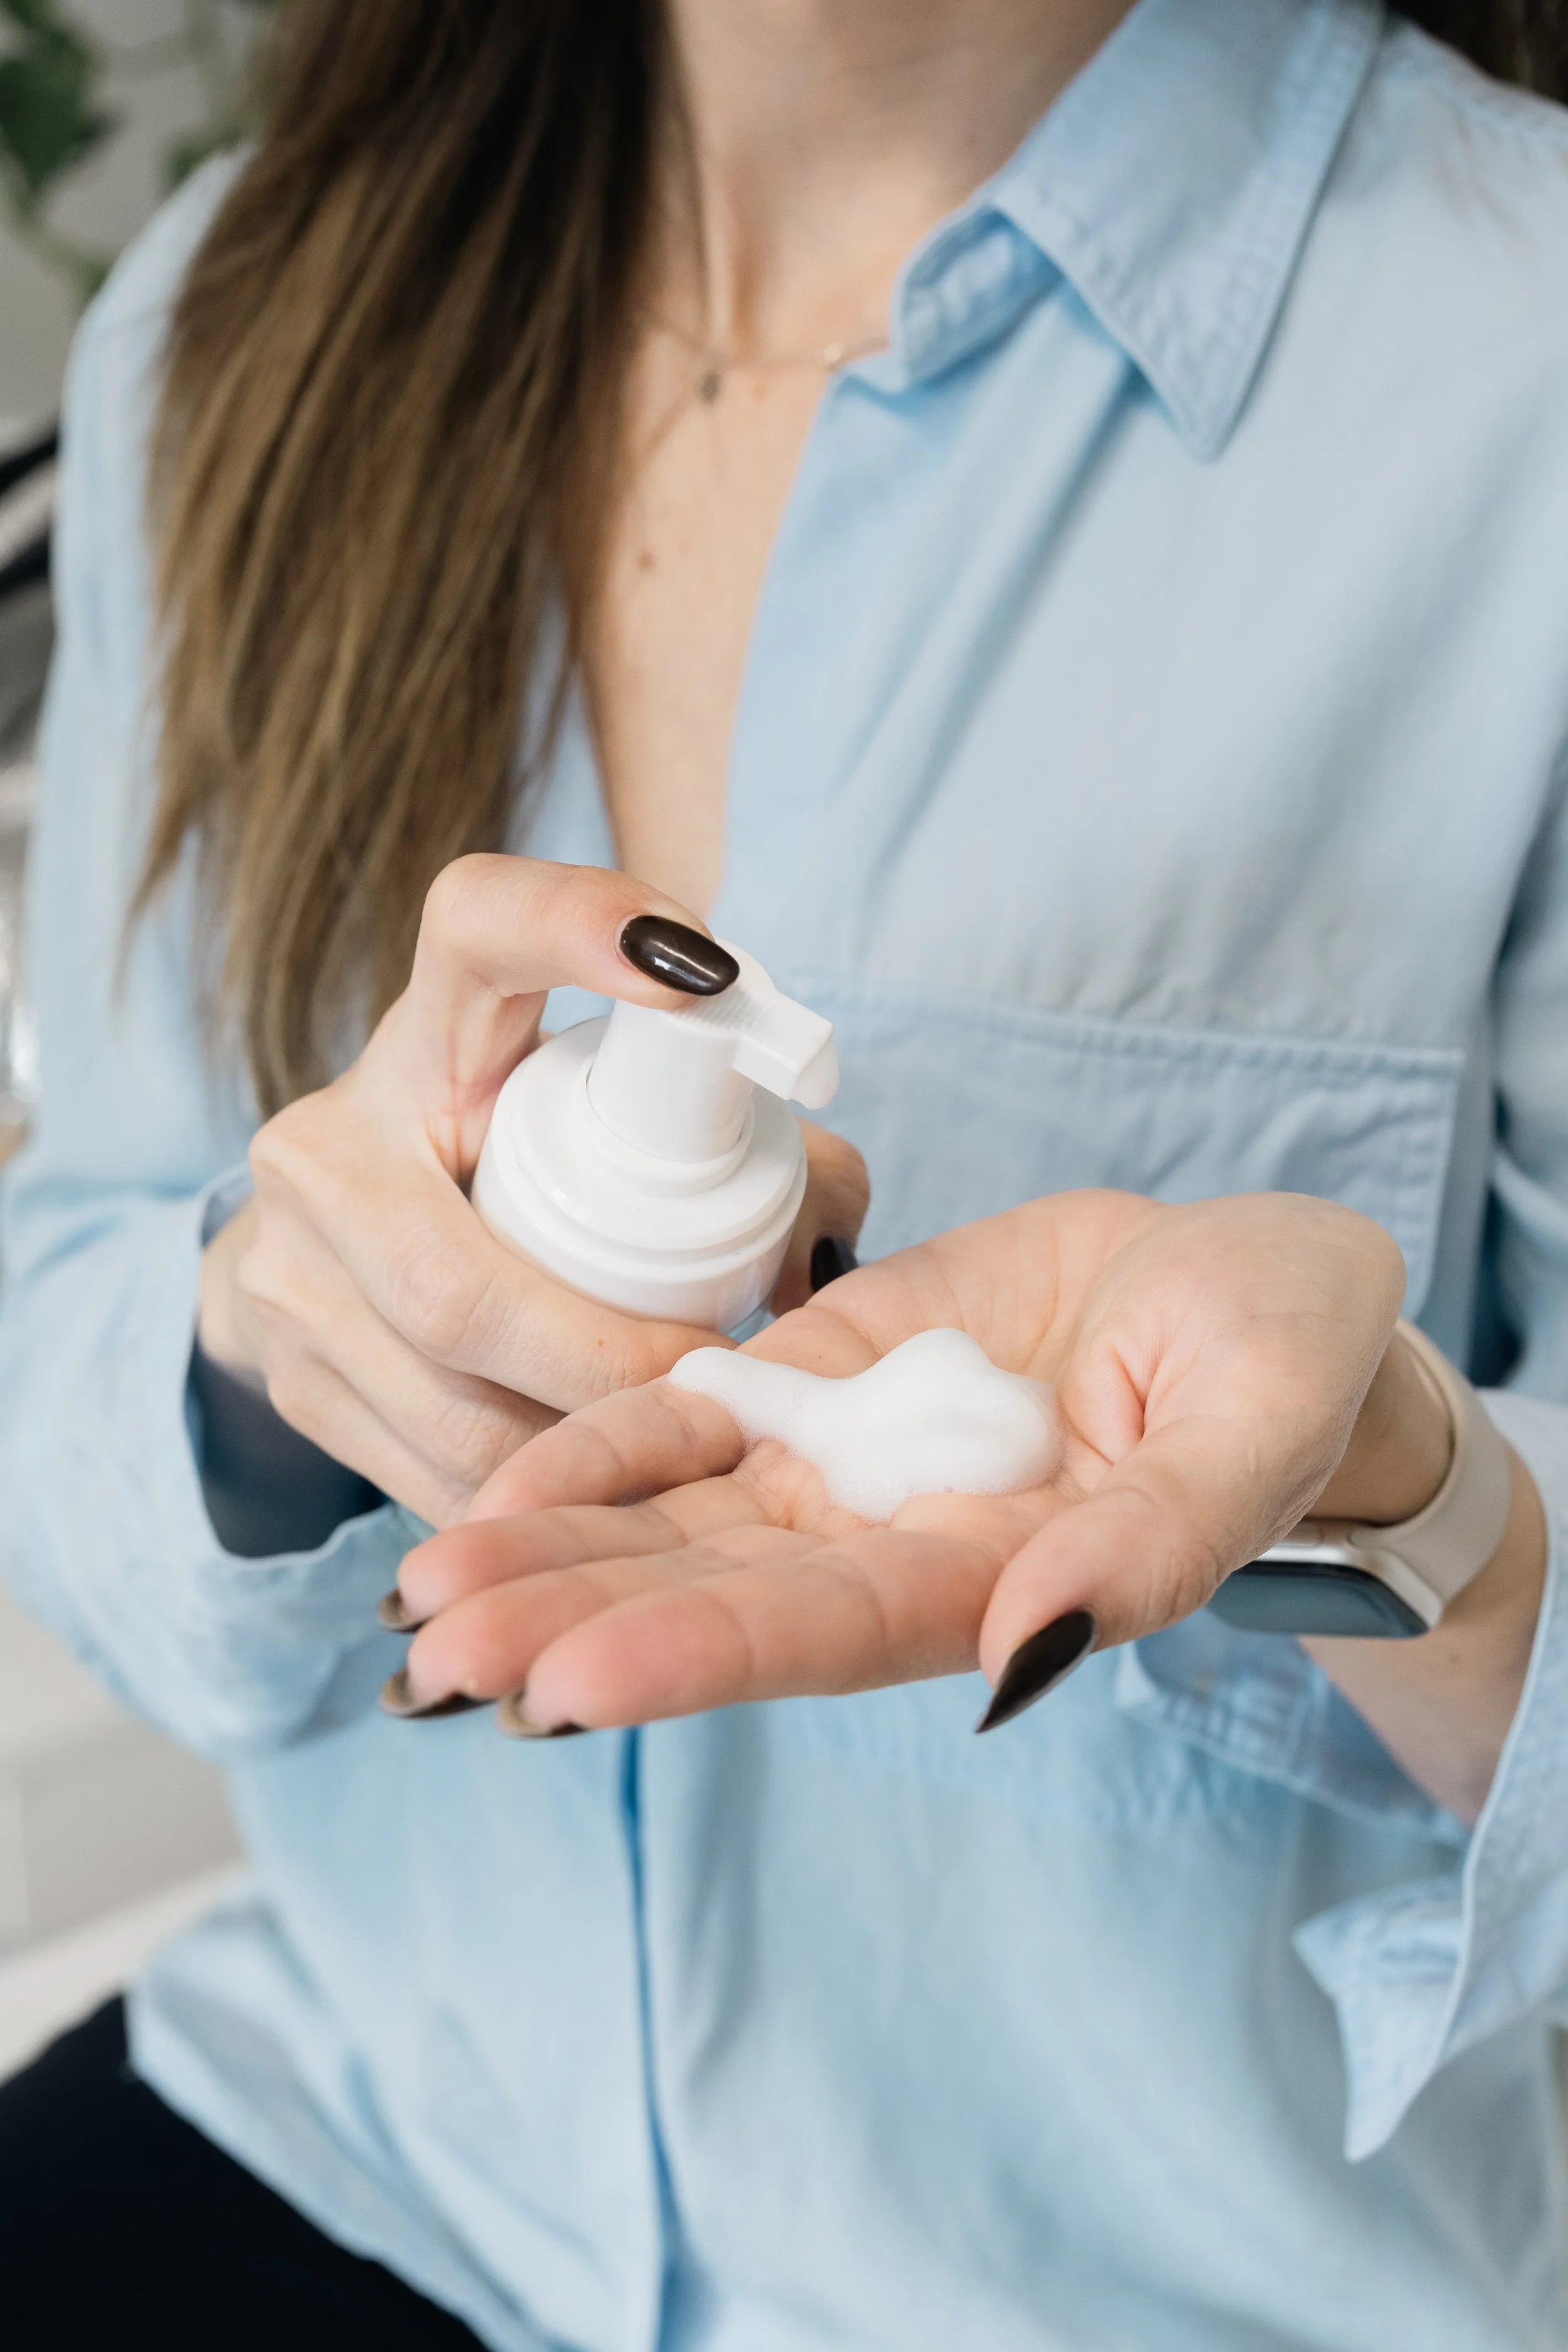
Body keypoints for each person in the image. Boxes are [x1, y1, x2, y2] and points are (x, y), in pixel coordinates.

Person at [1, 0, 1567, 2343]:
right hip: (378, 2151)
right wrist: (255, 1363)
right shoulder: (235, 329)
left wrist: (1377, 1483)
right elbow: (68, 1326)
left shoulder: (1509, 372)